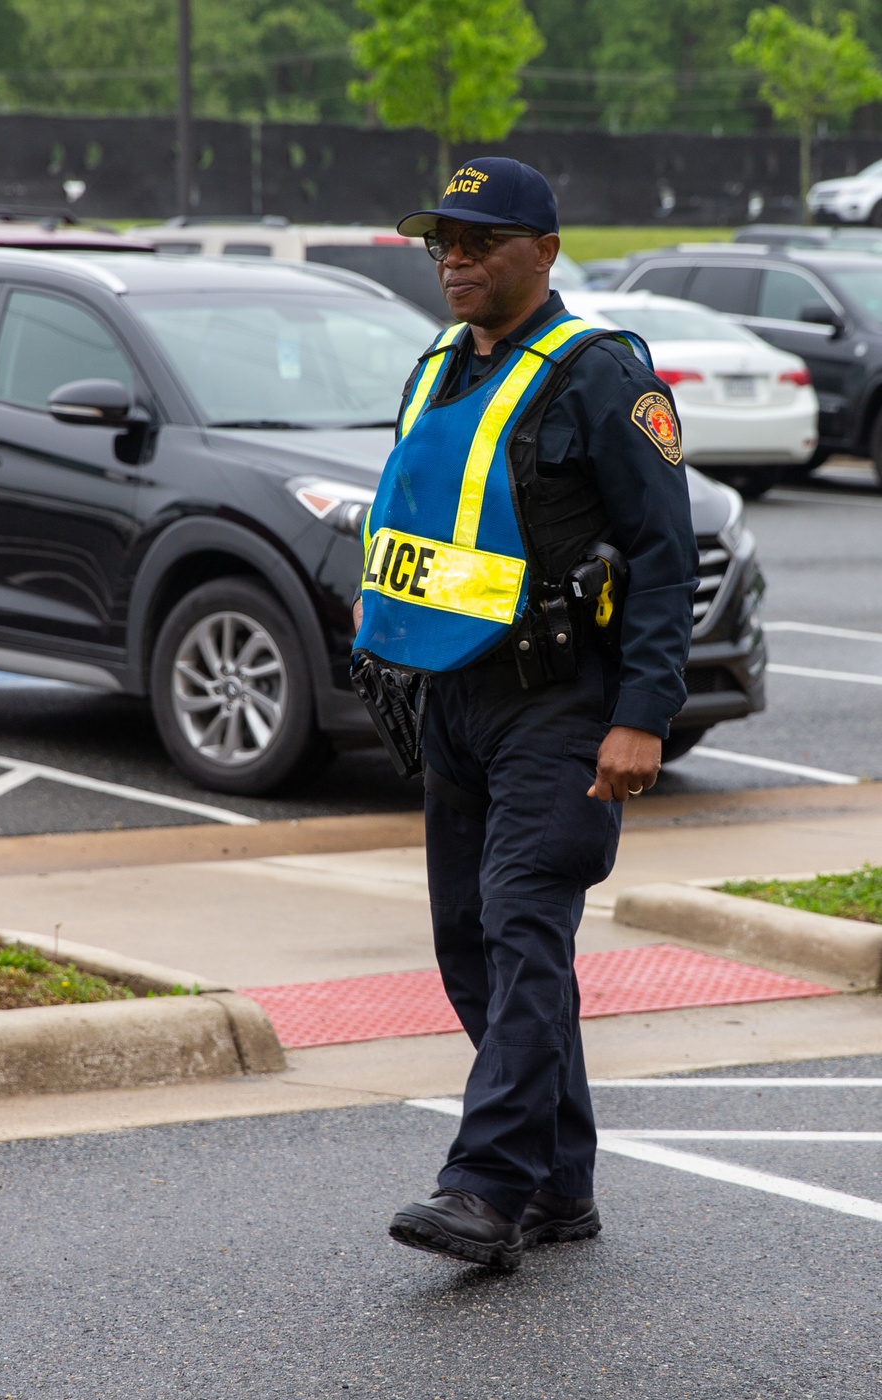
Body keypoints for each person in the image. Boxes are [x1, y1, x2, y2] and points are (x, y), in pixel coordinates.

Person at [352, 156, 697, 1271]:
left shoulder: (603, 377)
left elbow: (662, 555)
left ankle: (484, 1188)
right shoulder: (436, 368)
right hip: (453, 701)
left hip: (561, 706)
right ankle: (558, 1185)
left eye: (478, 239)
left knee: (524, 935)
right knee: (471, 951)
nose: (452, 258)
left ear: (542, 252)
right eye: (440, 240)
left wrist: (641, 713)